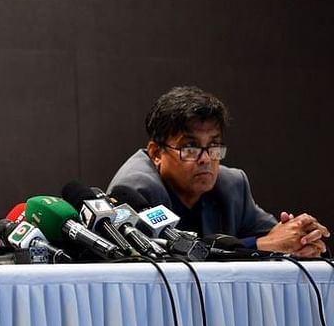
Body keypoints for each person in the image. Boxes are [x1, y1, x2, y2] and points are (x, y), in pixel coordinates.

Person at [107, 86, 329, 257]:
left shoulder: (231, 185)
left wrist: (301, 238)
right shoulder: (134, 189)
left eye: (214, 146)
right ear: (156, 153)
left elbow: (276, 235)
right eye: (190, 147)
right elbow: (167, 257)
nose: (206, 159)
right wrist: (261, 245)